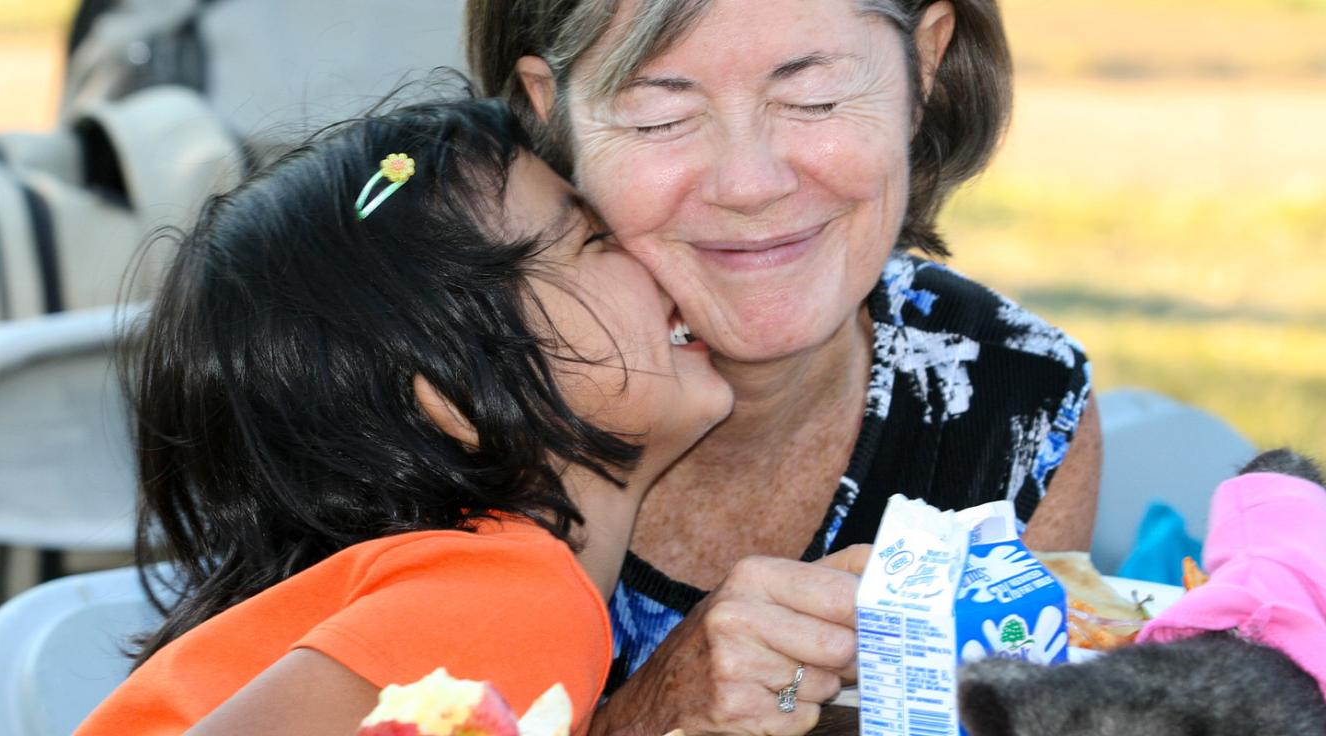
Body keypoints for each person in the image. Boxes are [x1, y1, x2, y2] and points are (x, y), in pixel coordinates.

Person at [466, 0, 1102, 732]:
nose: (749, 183)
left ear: (923, 67)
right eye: (658, 116)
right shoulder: (423, 400)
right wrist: (643, 720)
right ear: (554, 114)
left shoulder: (1012, 398)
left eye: (814, 98)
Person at [75, 97, 734, 735]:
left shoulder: (464, 588)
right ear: (461, 399)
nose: (645, 248)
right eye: (593, 237)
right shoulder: (508, 599)